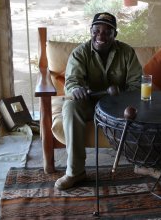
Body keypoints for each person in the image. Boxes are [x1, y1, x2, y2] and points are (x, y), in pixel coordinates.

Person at [55, 12, 143, 190]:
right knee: (70, 107)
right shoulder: (80, 53)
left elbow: (137, 83)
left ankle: (145, 165)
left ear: (115, 35)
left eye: (107, 32)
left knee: (143, 104)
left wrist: (123, 93)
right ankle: (75, 172)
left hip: (119, 103)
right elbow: (72, 82)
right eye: (96, 31)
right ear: (90, 31)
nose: (100, 36)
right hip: (89, 103)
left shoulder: (127, 52)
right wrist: (76, 90)